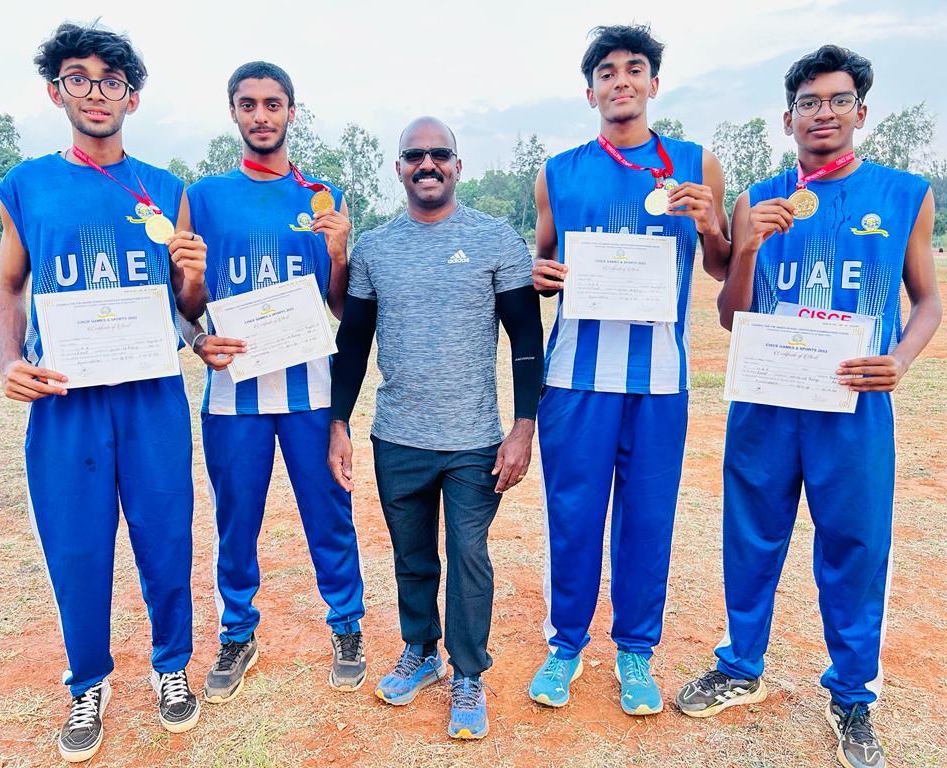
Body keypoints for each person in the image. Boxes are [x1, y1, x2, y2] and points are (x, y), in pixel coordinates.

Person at [676, 45, 941, 768]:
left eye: (838, 100)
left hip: (852, 404)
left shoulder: (904, 193)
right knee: (751, 536)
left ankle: (852, 694)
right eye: (809, 102)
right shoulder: (756, 197)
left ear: (861, 111)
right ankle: (741, 666)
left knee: (855, 546)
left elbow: (927, 300)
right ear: (787, 117)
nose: (823, 113)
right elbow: (732, 314)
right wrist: (747, 247)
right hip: (767, 401)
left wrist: (901, 359)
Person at [0, 22, 207, 763]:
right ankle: (88, 681)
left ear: (131, 98)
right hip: (65, 396)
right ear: (56, 92)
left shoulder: (165, 189)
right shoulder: (27, 185)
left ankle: (172, 666)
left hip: (149, 394)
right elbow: (8, 288)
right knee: (76, 543)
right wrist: (8, 360)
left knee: (165, 533)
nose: (95, 93)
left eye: (111, 81)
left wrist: (193, 275)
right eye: (77, 78)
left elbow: (186, 304)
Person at [528, 24, 730, 715]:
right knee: (573, 516)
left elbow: (722, 267)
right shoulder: (558, 172)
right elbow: (543, 261)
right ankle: (565, 645)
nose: (622, 80)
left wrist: (711, 225)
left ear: (653, 83)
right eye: (607, 71)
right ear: (590, 92)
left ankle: (636, 652)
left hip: (659, 380)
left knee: (647, 519)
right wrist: (541, 275)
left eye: (634, 68)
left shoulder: (696, 165)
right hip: (576, 380)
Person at [327, 117, 543, 739]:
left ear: (457, 165)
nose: (428, 164)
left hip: (474, 439)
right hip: (398, 436)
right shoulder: (375, 249)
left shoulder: (495, 239)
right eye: (414, 155)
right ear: (398, 168)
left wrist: (523, 427)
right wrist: (339, 422)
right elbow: (353, 343)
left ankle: (468, 671)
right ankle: (420, 651)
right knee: (413, 555)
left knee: (468, 555)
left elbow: (526, 339)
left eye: (439, 154)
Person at [181, 61, 367, 703]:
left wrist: (339, 254)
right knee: (236, 521)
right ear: (233, 111)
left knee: (329, 513)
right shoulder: (204, 195)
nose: (261, 115)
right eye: (248, 104)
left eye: (273, 103)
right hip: (234, 392)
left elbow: (340, 306)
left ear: (292, 110)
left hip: (310, 391)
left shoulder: (322, 195)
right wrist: (197, 325)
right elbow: (188, 303)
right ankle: (238, 631)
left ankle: (346, 624)